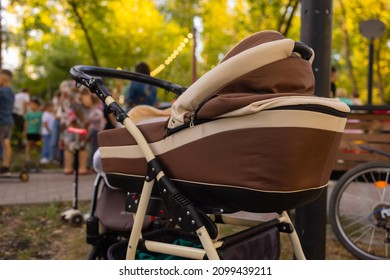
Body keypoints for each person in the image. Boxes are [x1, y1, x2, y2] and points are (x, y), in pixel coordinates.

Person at [0, 69, 15, 175]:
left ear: (4, 78)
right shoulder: (11, 92)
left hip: (1, 121)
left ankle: (5, 167)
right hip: (8, 120)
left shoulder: (2, 92)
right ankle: (6, 167)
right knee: (6, 143)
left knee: (5, 143)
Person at [24, 98, 43, 167]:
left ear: (37, 106)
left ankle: (39, 157)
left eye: (34, 105)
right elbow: (26, 123)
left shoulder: (40, 114)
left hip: (37, 132)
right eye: (31, 104)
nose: (32, 106)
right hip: (30, 131)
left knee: (38, 145)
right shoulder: (28, 114)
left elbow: (41, 123)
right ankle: (27, 157)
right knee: (28, 144)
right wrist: (25, 131)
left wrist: (41, 131)